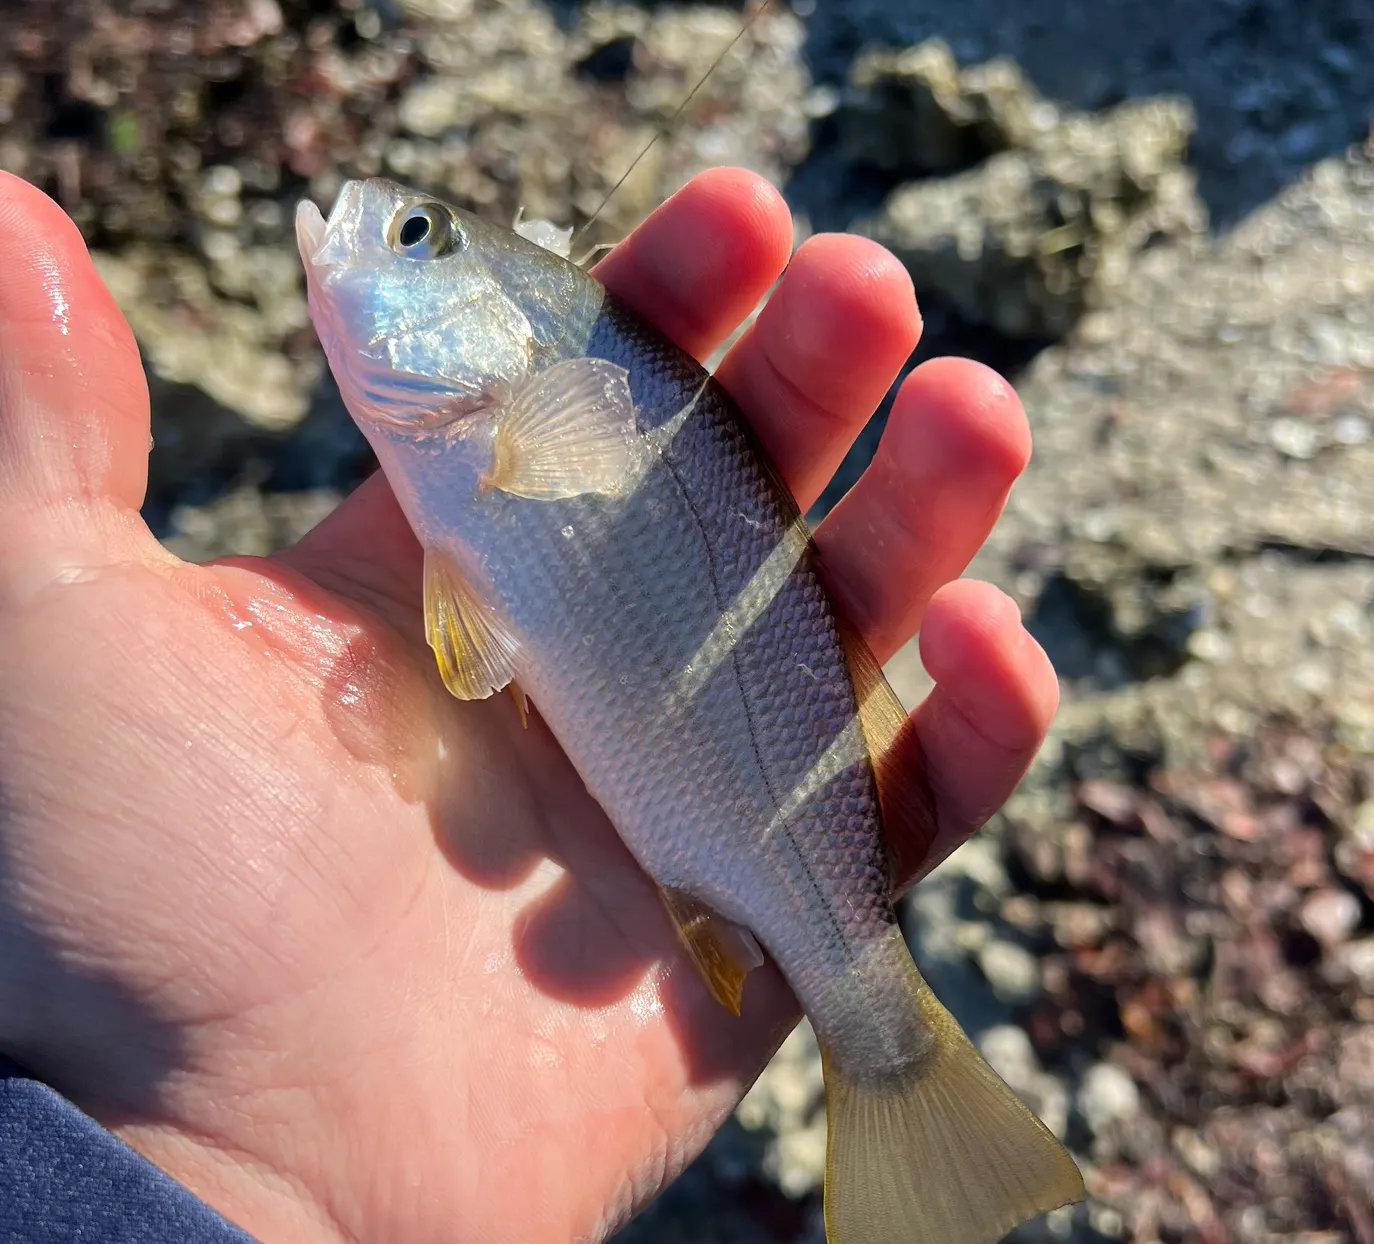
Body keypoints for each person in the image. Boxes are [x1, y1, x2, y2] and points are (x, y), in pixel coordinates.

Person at [0, 165, 1059, 1243]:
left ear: (509, 338)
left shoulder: (523, 417)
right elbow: (478, 635)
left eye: (416, 235)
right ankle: (895, 1065)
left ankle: (893, 1053)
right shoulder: (495, 425)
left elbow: (485, 627)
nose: (373, 230)